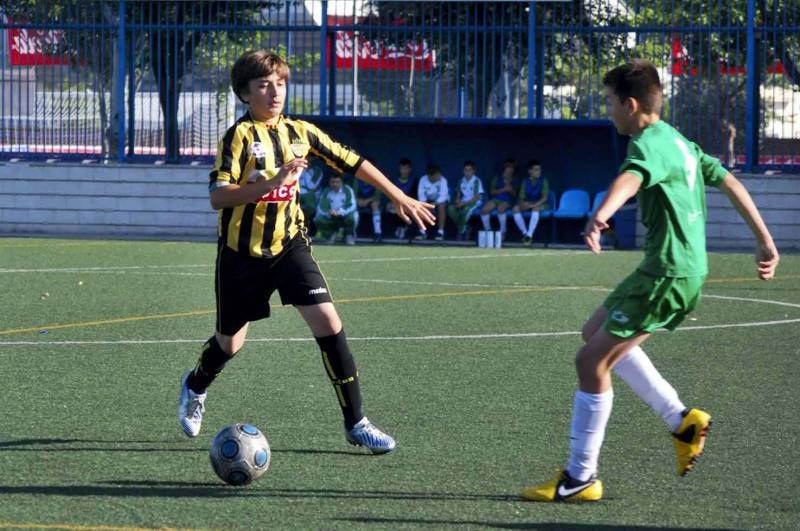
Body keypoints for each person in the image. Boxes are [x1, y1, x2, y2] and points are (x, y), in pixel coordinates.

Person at [522, 59, 779, 502]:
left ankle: (581, 476)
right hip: (667, 268)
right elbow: (730, 181)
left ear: (632, 103)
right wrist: (766, 241)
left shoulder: (648, 145)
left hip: (668, 273)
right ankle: (681, 421)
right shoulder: (678, 141)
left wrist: (601, 214)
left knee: (590, 363)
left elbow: (631, 177)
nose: (608, 111)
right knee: (593, 335)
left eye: (609, 102)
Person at [179, 50, 435, 455]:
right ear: (245, 93)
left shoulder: (301, 132)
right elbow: (218, 197)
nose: (275, 91)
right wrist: (271, 183)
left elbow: (353, 161)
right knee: (230, 343)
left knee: (329, 323)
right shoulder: (238, 138)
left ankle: (356, 422)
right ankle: (196, 385)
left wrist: (399, 195)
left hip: (289, 246)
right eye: (264, 84)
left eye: (280, 83)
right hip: (241, 256)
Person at [511, 160, 550, 244]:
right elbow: (521, 197)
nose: (539, 172)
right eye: (536, 170)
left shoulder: (544, 181)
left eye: (539, 169)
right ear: (530, 171)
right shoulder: (525, 182)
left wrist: (534, 205)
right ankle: (525, 233)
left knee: (535, 208)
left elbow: (545, 198)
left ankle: (529, 235)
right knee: (515, 208)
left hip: (541, 204)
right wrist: (524, 204)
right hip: (529, 204)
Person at [315, 174, 359, 245]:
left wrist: (340, 211)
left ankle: (349, 235)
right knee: (318, 219)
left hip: (345, 214)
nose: (335, 184)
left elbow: (352, 206)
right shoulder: (326, 191)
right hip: (331, 215)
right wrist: (328, 211)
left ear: (341, 182)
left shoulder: (348, 190)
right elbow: (321, 206)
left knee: (352, 218)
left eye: (337, 182)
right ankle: (330, 235)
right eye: (333, 182)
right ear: (329, 183)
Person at [447, 160, 485, 240]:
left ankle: (461, 232)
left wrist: (463, 204)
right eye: (465, 170)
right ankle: (463, 227)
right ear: (463, 171)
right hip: (463, 202)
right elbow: (458, 194)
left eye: (469, 170)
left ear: (473, 171)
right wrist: (457, 201)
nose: (467, 172)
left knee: (466, 210)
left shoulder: (476, 181)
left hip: (474, 202)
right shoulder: (461, 180)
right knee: (451, 209)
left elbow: (477, 197)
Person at [480, 159, 518, 236]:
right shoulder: (497, 178)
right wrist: (504, 189)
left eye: (512, 168)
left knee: (501, 208)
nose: (510, 169)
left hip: (508, 200)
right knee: (484, 210)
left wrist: (510, 190)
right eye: (508, 167)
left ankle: (503, 231)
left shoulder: (515, 180)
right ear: (505, 168)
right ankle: (488, 231)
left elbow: (516, 195)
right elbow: (492, 192)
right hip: (496, 199)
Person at [416, 164, 450, 241]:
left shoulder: (443, 180)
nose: (439, 176)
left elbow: (443, 197)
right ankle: (422, 231)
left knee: (442, 206)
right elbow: (421, 196)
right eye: (437, 175)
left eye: (439, 174)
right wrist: (427, 205)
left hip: (440, 202)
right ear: (430, 176)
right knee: (419, 206)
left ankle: (440, 232)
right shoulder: (423, 180)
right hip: (427, 202)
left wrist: (434, 204)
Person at [386, 158, 417, 240]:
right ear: (399, 169)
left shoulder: (414, 181)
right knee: (391, 207)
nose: (404, 170)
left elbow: (414, 197)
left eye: (406, 168)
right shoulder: (394, 180)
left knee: (406, 208)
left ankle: (403, 228)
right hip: (396, 204)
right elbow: (390, 194)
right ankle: (399, 227)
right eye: (402, 168)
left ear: (410, 169)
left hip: (409, 204)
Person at [355, 174, 384, 242]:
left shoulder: (377, 179)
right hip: (359, 201)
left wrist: (367, 200)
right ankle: (351, 233)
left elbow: (377, 196)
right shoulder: (357, 179)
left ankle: (378, 233)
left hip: (371, 201)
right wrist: (357, 200)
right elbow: (353, 194)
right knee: (353, 204)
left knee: (375, 205)